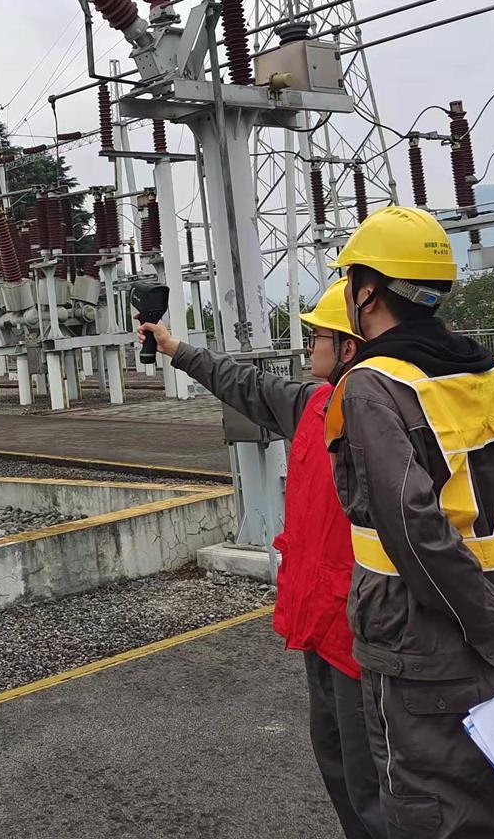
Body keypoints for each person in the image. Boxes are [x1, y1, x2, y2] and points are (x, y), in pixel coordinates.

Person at [145, 205, 494, 839]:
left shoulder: (371, 388)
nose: (315, 339)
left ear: (366, 293)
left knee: (427, 802)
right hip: (477, 619)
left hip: (414, 633)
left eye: (325, 325)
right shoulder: (493, 376)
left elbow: (414, 530)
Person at [140, 279, 385, 839]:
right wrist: (176, 349)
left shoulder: (385, 416)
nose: (308, 347)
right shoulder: (315, 403)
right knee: (338, 760)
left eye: (318, 336)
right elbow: (245, 386)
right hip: (319, 620)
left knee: (374, 773)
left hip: (364, 627)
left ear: (349, 347)